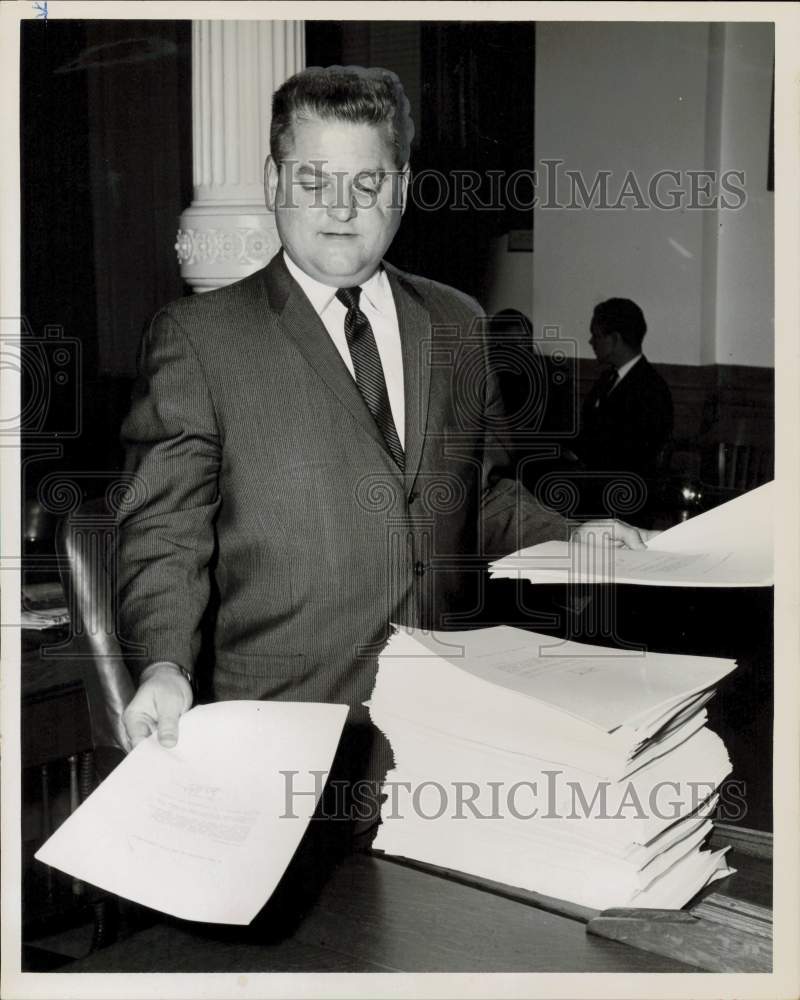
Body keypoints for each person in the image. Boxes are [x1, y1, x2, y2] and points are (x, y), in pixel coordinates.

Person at [118, 67, 650, 815]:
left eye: (367, 182)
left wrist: (578, 533)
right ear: (274, 180)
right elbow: (163, 536)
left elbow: (483, 498)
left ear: (400, 188)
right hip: (282, 758)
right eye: (314, 178)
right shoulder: (200, 340)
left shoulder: (460, 322)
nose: (341, 207)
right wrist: (165, 664)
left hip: (448, 743)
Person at [572, 297, 673, 519]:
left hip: (621, 503)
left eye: (596, 335)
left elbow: (631, 458)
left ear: (615, 339)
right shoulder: (607, 379)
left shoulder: (650, 389)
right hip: (597, 490)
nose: (591, 341)